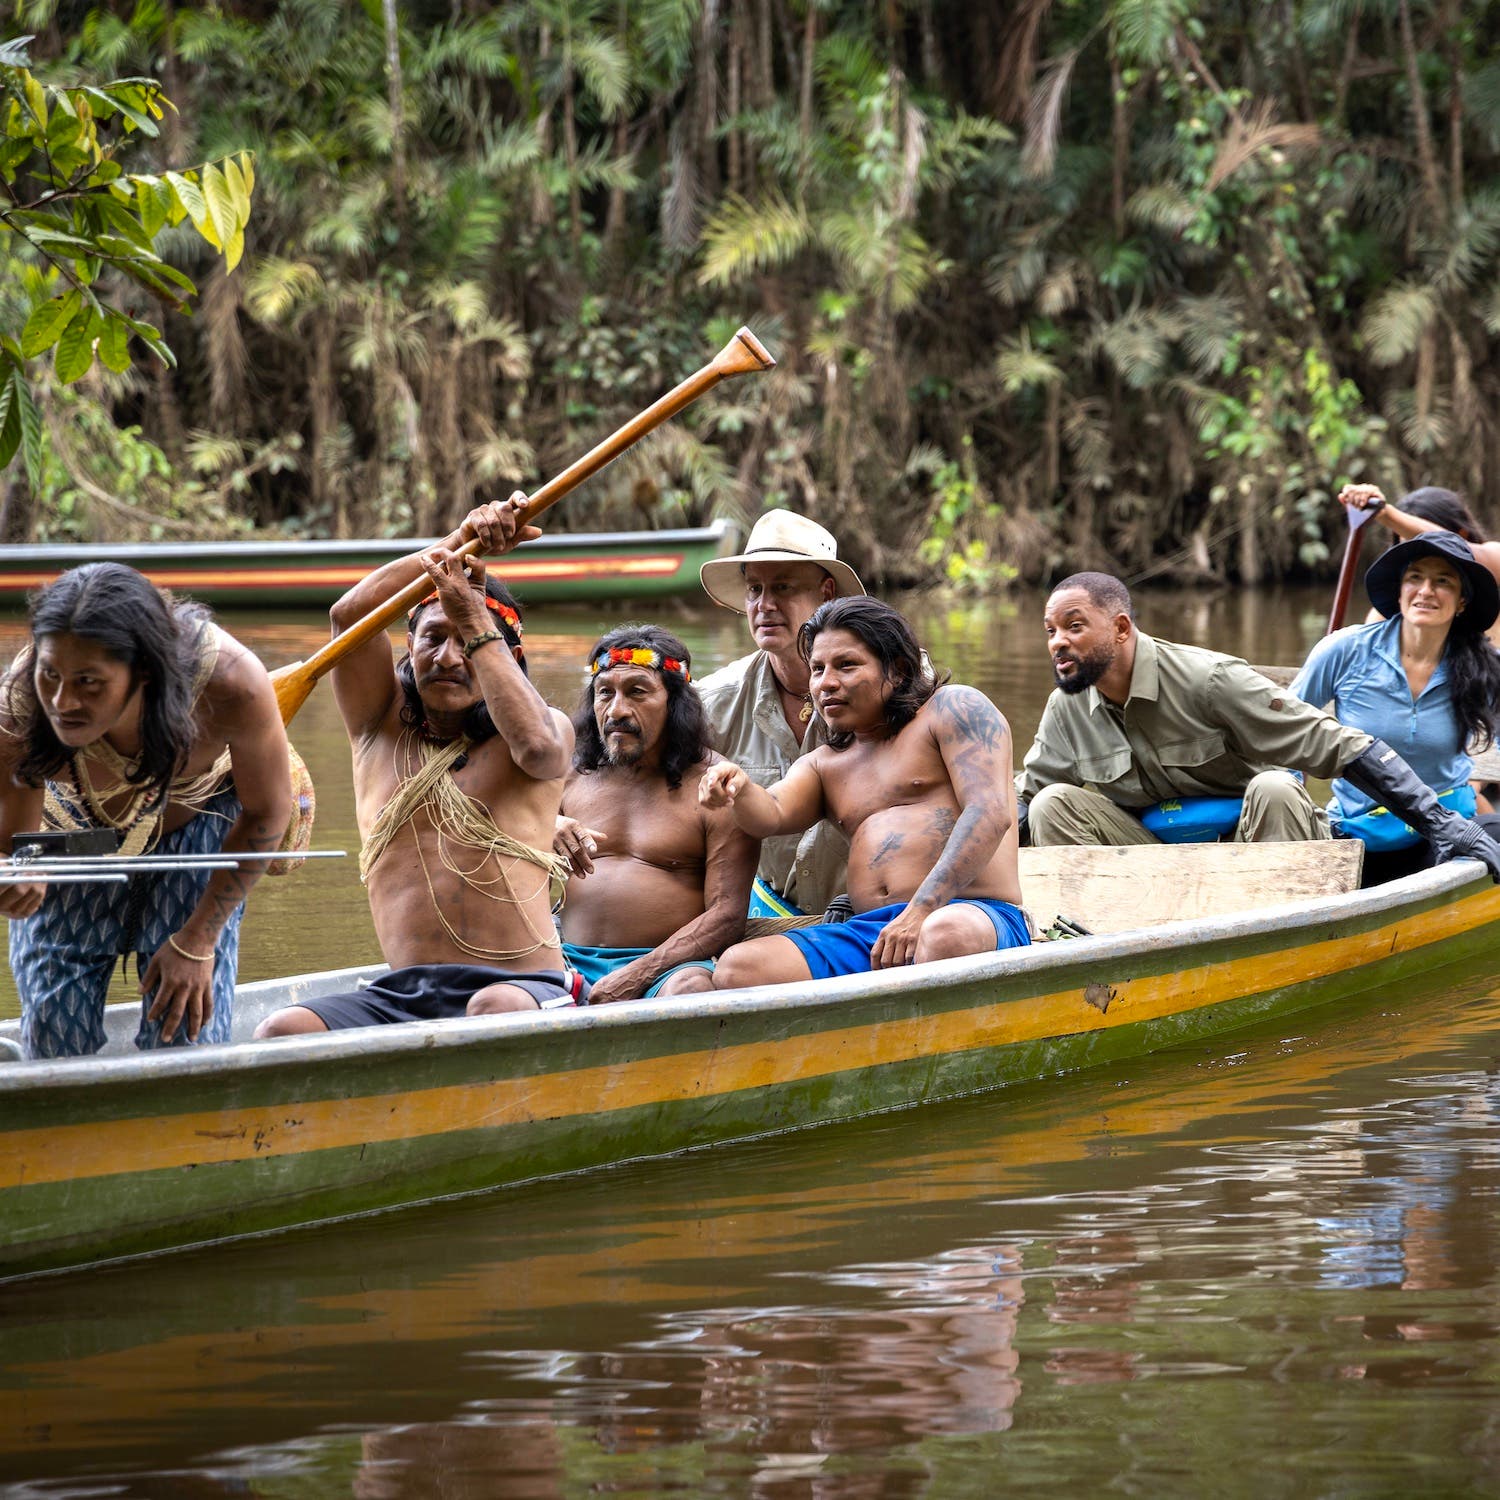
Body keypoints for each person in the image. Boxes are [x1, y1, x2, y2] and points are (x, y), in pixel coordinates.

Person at [255, 496, 578, 1038]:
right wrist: (455, 541)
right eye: (433, 637)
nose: (449, 657)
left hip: (523, 988)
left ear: (506, 656)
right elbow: (349, 617)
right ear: (407, 646)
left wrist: (473, 617)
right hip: (406, 994)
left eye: (467, 643)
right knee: (282, 1032)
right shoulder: (375, 727)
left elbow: (540, 753)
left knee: (491, 1013)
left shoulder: (544, 730)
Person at [1018, 572, 1500, 880]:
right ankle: (1100, 940)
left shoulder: (1209, 680)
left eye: (1074, 627)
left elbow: (1337, 743)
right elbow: (1018, 803)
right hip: (1154, 862)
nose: (1057, 642)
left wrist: (1440, 824)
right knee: (1051, 804)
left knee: (1274, 785)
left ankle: (1285, 944)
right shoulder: (1067, 708)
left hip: (1257, 847)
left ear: (1121, 629)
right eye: (1050, 631)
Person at [0, 563, 293, 1058]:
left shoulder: (228, 682)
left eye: (89, 683)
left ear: (145, 672)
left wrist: (199, 939)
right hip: (72, 831)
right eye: (51, 674)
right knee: (54, 1036)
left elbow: (266, 812)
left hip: (200, 824)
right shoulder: (23, 698)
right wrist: (19, 869)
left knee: (184, 1034)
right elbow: (15, 835)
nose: (62, 700)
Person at [699, 597, 1030, 989]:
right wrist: (737, 786)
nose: (826, 683)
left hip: (971, 915)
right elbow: (770, 813)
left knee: (944, 934)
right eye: (817, 669)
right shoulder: (826, 764)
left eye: (846, 665)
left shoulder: (953, 709)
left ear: (899, 670)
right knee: (739, 968)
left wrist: (921, 910)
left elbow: (990, 813)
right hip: (873, 934)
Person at [552, 625, 759, 1001]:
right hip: (564, 960)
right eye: (604, 694)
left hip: (667, 970)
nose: (616, 710)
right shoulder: (568, 774)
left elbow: (727, 915)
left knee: (691, 989)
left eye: (637, 692)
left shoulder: (715, 786)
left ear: (675, 703)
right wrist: (545, 826)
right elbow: (497, 839)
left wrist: (640, 974)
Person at [1290, 532, 1500, 884]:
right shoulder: (1346, 650)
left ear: (1462, 600)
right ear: (1400, 591)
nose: (1425, 591)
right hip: (1359, 832)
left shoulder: (1483, 666)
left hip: (1449, 831)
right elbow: (1286, 730)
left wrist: (1474, 786)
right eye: (1414, 578)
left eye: (1443, 581)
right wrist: (1293, 803)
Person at [695, 510, 864, 918]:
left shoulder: (889, 683)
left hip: (869, 910)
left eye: (783, 587)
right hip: (765, 910)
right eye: (755, 588)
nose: (764, 605)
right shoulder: (713, 701)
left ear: (826, 593)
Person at [1340, 483, 1500, 647]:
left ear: (1462, 535)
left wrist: (1385, 513)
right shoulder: (1381, 618)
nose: (1419, 556)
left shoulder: (1493, 563)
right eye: (1407, 545)